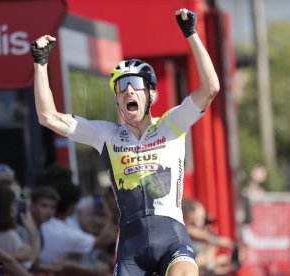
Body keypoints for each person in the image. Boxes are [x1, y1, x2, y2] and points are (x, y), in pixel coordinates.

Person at [31, 7, 219, 276]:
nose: (128, 89)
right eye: (121, 86)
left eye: (136, 83)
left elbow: (210, 88)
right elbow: (47, 116)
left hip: (172, 240)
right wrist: (40, 63)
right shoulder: (106, 134)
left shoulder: (171, 124)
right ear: (117, 100)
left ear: (151, 94)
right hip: (132, 248)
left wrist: (191, 34)